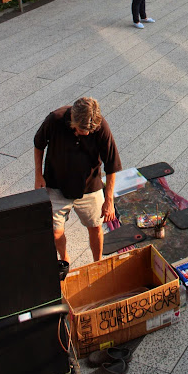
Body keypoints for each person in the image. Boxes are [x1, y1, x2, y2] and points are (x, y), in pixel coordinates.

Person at [34, 97, 122, 263]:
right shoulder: (55, 119)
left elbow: (112, 165)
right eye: (82, 130)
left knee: (96, 226)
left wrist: (109, 200)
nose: (87, 133)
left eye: (90, 131)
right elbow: (39, 144)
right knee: (55, 231)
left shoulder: (101, 127)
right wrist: (38, 175)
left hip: (89, 185)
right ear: (72, 120)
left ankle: (97, 262)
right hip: (56, 184)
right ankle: (65, 260)